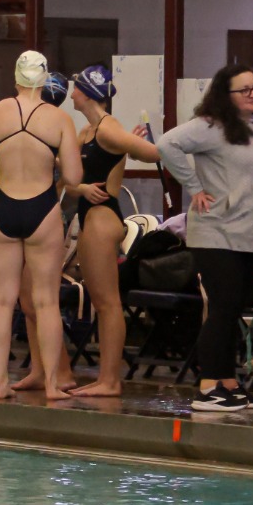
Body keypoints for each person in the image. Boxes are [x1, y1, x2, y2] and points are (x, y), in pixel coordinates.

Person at [158, 65, 253, 411]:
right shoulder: (212, 127)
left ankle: (228, 382)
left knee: (233, 311)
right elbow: (167, 143)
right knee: (222, 308)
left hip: (252, 237)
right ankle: (209, 385)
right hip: (220, 234)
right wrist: (195, 188)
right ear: (224, 96)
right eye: (243, 89)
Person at [0, 51, 81, 401]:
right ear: (45, 79)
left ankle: (1, 384)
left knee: (2, 300)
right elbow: (75, 177)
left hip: (3, 207)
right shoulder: (60, 119)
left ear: (16, 79)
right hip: (43, 209)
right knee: (46, 301)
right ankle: (51, 384)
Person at [65, 64, 159, 398]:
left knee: (107, 303)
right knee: (100, 301)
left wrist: (140, 144)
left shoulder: (107, 129)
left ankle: (111, 380)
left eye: (76, 86)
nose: (71, 91)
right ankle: (106, 378)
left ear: (87, 93)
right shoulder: (86, 133)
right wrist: (81, 190)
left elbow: (152, 153)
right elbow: (68, 178)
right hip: (91, 214)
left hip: (105, 218)